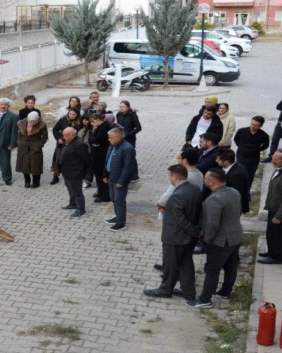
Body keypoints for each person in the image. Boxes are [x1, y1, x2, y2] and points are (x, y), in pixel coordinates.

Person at [143, 164, 202, 300]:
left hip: (175, 238)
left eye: (170, 176)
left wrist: (194, 231)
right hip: (188, 238)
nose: (169, 179)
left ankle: (165, 290)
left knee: (170, 265)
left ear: (174, 177)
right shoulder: (195, 190)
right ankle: (188, 292)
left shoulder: (177, 195)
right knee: (186, 264)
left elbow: (180, 221)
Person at [187, 168, 243, 308]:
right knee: (231, 267)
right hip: (236, 236)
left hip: (220, 241)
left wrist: (207, 239)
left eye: (206, 179)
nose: (204, 181)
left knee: (212, 270)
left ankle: (205, 299)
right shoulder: (234, 192)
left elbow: (212, 224)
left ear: (211, 182)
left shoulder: (214, 199)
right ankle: (225, 292)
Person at [103, 128, 137, 231]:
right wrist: (105, 174)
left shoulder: (128, 149)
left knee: (120, 201)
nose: (109, 140)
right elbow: (108, 160)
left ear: (119, 137)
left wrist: (121, 181)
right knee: (113, 198)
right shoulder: (112, 145)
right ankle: (117, 217)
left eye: (111, 137)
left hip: (119, 180)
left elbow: (128, 167)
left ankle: (121, 223)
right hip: (111, 177)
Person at [59, 127, 91, 218]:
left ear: (73, 135)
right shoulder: (69, 141)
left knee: (77, 192)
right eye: (63, 135)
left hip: (75, 173)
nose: (64, 137)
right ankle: (73, 204)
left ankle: (81, 210)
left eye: (66, 135)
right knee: (70, 189)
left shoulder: (79, 144)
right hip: (67, 172)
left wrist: (84, 172)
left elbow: (87, 159)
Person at [234, 116, 269, 189]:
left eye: (256, 125)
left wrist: (257, 149)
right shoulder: (241, 131)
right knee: (240, 176)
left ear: (260, 126)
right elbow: (236, 140)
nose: (253, 126)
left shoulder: (263, 135)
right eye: (252, 124)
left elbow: (266, 145)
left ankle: (247, 193)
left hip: (254, 159)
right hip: (241, 157)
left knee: (250, 177)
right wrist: (242, 147)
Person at [16, 111, 48, 188]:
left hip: (35, 146)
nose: (32, 124)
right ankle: (27, 181)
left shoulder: (42, 124)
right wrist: (19, 142)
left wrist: (40, 145)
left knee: (35, 164)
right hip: (23, 146)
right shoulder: (22, 123)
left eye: (34, 122)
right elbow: (20, 133)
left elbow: (45, 136)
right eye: (30, 122)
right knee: (24, 164)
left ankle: (36, 182)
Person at [50, 107, 81, 185]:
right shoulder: (62, 120)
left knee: (69, 161)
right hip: (61, 143)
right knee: (57, 159)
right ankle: (55, 176)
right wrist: (59, 138)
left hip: (73, 145)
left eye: (74, 114)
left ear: (77, 115)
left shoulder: (79, 123)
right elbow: (55, 130)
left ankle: (69, 177)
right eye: (70, 113)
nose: (71, 115)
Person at [216, 149, 250, 215]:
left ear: (226, 161)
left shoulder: (236, 174)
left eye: (218, 159)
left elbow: (235, 194)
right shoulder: (228, 168)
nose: (216, 161)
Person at [88, 114, 111, 202]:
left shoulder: (104, 127)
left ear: (97, 120)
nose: (91, 124)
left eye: (93, 121)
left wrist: (93, 140)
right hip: (97, 155)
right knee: (98, 175)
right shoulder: (100, 126)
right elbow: (92, 140)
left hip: (101, 156)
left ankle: (105, 196)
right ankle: (100, 192)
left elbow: (96, 140)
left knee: (102, 176)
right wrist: (92, 140)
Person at [78, 115, 94, 188]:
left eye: (86, 120)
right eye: (83, 120)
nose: (84, 121)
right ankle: (84, 179)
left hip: (88, 150)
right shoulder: (81, 128)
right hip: (80, 149)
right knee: (82, 166)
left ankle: (88, 181)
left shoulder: (91, 129)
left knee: (89, 167)